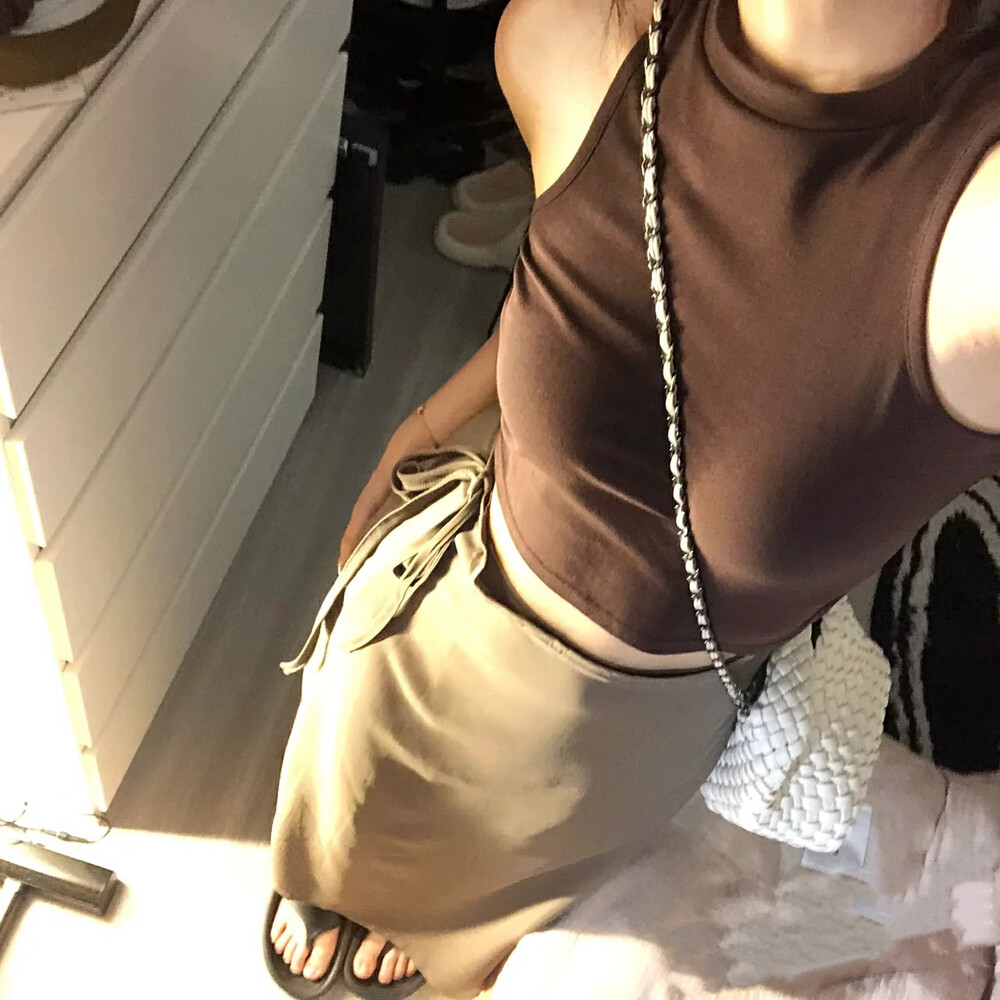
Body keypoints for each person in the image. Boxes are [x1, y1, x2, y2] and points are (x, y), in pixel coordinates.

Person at [266, 0, 1000, 997]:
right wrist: (430, 422)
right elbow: (582, 268)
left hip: (621, 745)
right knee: (339, 825)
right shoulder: (578, 37)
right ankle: (341, 864)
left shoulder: (975, 226)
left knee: (479, 921)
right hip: (435, 626)